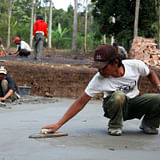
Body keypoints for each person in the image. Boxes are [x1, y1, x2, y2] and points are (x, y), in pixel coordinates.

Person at [42, 44, 160, 136]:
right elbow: (80, 102)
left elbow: (150, 73)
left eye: (103, 67)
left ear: (115, 63)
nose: (100, 71)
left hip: (134, 103)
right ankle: (115, 126)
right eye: (97, 67)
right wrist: (58, 124)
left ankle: (149, 124)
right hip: (114, 107)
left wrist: (158, 85)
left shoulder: (135, 65)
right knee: (119, 96)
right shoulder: (98, 79)